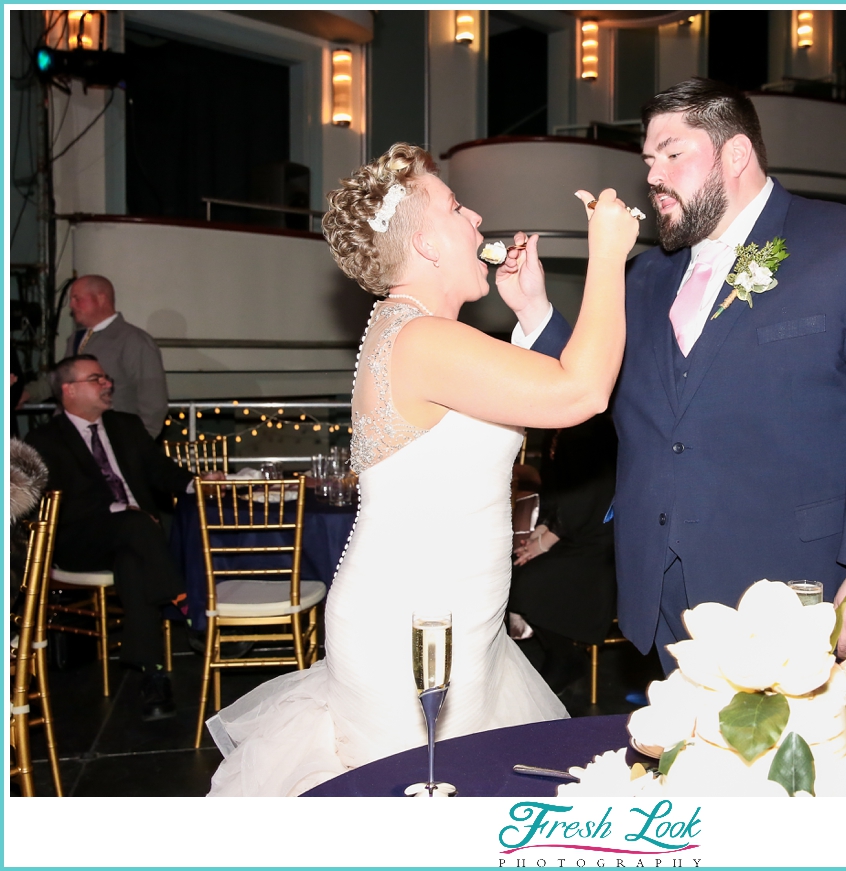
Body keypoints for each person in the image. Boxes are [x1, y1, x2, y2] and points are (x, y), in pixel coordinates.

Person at [205, 142, 639, 796]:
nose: (476, 218)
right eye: (456, 206)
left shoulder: (415, 332)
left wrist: (529, 315)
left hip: (458, 620)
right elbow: (580, 393)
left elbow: (492, 419)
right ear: (429, 245)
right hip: (417, 635)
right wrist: (608, 254)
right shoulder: (421, 339)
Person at [511, 78, 846, 667]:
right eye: (649, 159)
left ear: (736, 154)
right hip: (669, 591)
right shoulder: (646, 277)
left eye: (673, 153)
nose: (653, 175)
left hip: (802, 593)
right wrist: (534, 310)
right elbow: (605, 390)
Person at [24, 355, 205, 721]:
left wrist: (196, 483)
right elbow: (55, 504)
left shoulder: (125, 425)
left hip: (138, 544)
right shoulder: (43, 439)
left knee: (133, 564)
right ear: (69, 390)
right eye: (96, 379)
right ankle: (186, 602)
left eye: (106, 377)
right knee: (137, 525)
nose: (108, 384)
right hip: (81, 541)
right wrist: (123, 513)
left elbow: (161, 472)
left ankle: (153, 677)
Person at [510, 414, 619, 693]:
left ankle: (566, 659)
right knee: (513, 572)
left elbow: (590, 496)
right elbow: (554, 488)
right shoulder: (556, 432)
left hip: (596, 541)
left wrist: (544, 543)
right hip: (570, 532)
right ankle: (561, 656)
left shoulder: (591, 432)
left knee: (528, 582)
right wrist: (542, 527)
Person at [67, 275, 169, 438]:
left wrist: (138, 444)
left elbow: (153, 402)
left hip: (116, 439)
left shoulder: (133, 340)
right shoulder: (76, 339)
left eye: (77, 298)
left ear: (101, 298)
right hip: (77, 439)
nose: (71, 305)